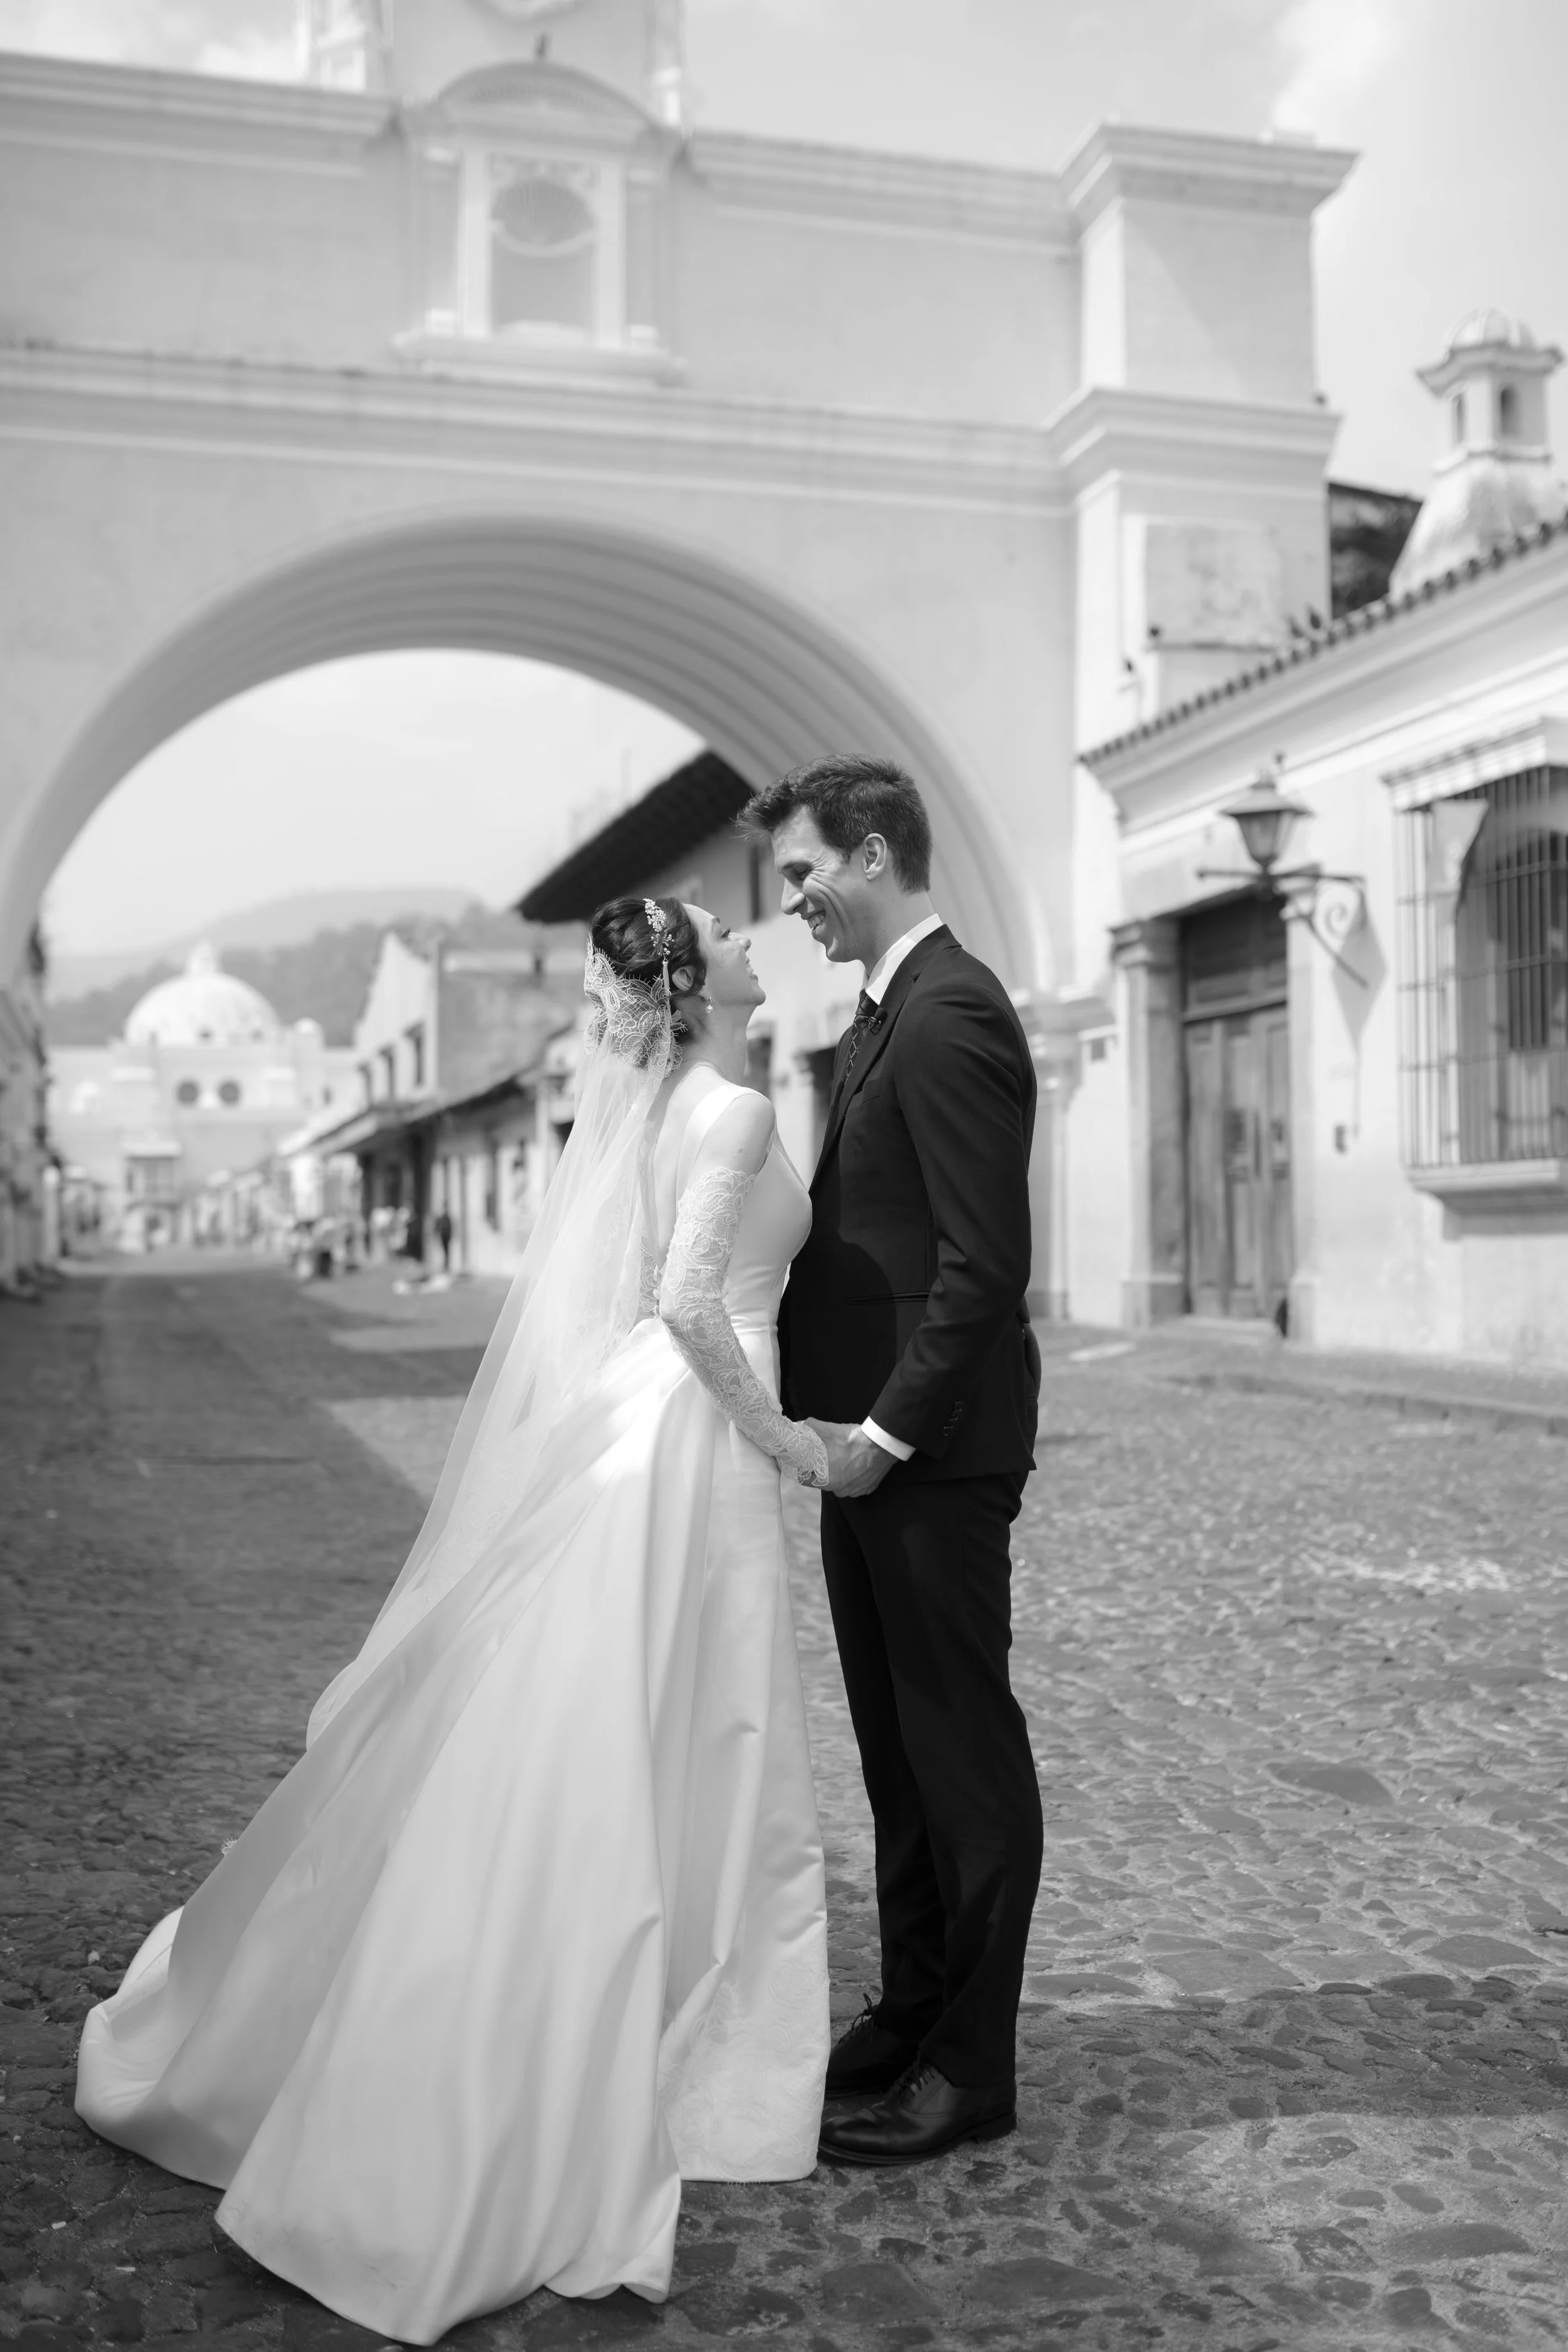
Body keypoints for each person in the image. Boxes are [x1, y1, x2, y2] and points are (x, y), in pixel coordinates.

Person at [75, 897, 832, 2345]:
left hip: (647, 1422)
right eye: (724, 931)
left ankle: (672, 1997)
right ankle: (673, 2024)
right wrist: (789, 1439)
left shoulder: (676, 1098)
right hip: (693, 1430)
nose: (751, 933)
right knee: (698, 1715)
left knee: (648, 1704)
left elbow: (628, 1292)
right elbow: (685, 1302)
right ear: (688, 981)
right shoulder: (727, 1109)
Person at [747, 754, 1044, 2168]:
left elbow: (984, 1269)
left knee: (960, 1758)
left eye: (803, 873)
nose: (793, 902)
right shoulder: (876, 1020)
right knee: (896, 1760)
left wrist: (879, 1433)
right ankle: (914, 2009)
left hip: (923, 1453)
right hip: (863, 1455)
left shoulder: (948, 1014)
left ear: (870, 854)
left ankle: (969, 2071)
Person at [433, 1204, 453, 1272]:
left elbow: (450, 1227)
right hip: (443, 1236)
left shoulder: (447, 1217)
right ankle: (443, 1265)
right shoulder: (441, 1217)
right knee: (443, 1251)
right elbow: (438, 1227)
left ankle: (446, 1265)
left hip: (446, 1236)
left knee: (446, 1251)